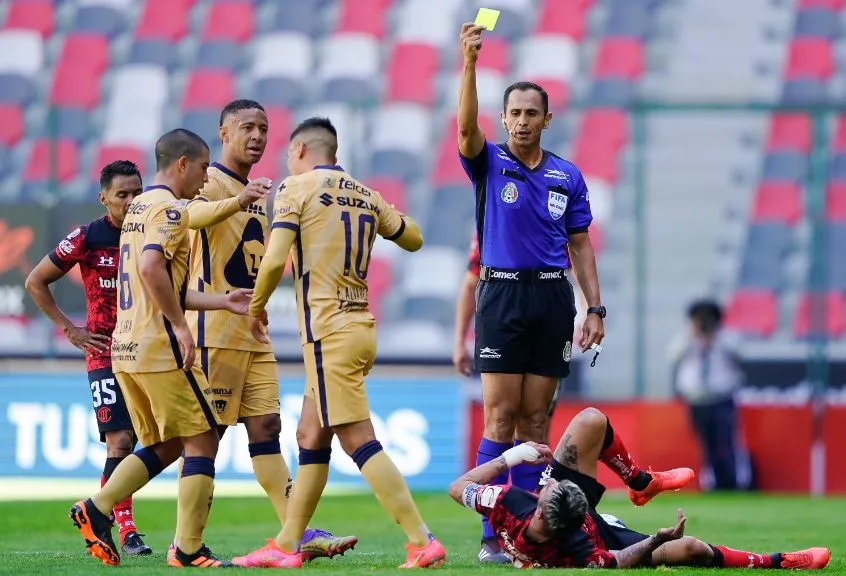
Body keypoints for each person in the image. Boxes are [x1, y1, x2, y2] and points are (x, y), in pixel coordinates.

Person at [235, 117, 446, 569]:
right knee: (310, 436)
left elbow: (274, 259)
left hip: (328, 333)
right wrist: (385, 212)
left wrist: (255, 308)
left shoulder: (295, 189)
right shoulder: (365, 193)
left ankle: (421, 539)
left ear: (299, 151)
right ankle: (287, 544)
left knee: (359, 440)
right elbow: (413, 238)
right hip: (360, 328)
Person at [178, 99, 356, 562]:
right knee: (206, 438)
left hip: (253, 331)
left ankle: (295, 533)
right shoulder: (209, 181)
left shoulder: (264, 191)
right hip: (212, 330)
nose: (257, 136)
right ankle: (185, 544)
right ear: (223, 132)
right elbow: (190, 218)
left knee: (267, 427)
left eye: (263, 128)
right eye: (247, 127)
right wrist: (238, 201)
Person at [67, 129, 253, 568]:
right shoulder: (169, 210)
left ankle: (95, 508)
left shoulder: (137, 209)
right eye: (203, 168)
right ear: (182, 164)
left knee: (167, 444)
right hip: (159, 346)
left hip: (126, 347)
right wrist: (181, 328)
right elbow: (152, 269)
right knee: (203, 438)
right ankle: (188, 549)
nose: (206, 179)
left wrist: (222, 301)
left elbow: (160, 282)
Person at [457, 22, 606, 562]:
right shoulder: (489, 162)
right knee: (500, 417)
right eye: (514, 113)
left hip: (551, 299)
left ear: (547, 119)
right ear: (503, 119)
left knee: (537, 423)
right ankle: (491, 535)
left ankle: (526, 529)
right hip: (502, 296)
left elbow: (581, 246)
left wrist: (595, 307)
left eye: (530, 113)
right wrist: (470, 62)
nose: (522, 121)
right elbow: (464, 129)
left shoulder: (568, 176)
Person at [448, 407, 830, 570]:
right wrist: (655, 540)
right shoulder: (581, 552)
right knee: (691, 549)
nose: (540, 485)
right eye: (543, 487)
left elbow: (458, 487)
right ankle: (780, 561)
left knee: (591, 420)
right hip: (605, 535)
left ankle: (640, 483)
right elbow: (616, 561)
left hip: (565, 512)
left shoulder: (509, 502)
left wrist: (513, 456)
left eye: (542, 487)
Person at [25, 161, 151, 556]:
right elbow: (35, 280)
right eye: (122, 195)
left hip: (148, 350)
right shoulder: (87, 237)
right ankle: (122, 529)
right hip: (105, 353)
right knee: (120, 441)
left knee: (152, 441)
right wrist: (70, 329)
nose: (131, 201)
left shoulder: (154, 231)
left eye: (137, 193)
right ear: (104, 198)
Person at [671, 299, 748, 491]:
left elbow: (740, 354)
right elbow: (672, 355)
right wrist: (692, 335)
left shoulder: (726, 338)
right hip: (696, 399)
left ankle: (734, 482)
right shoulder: (688, 339)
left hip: (721, 398)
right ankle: (711, 482)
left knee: (727, 441)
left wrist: (715, 337)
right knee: (706, 443)